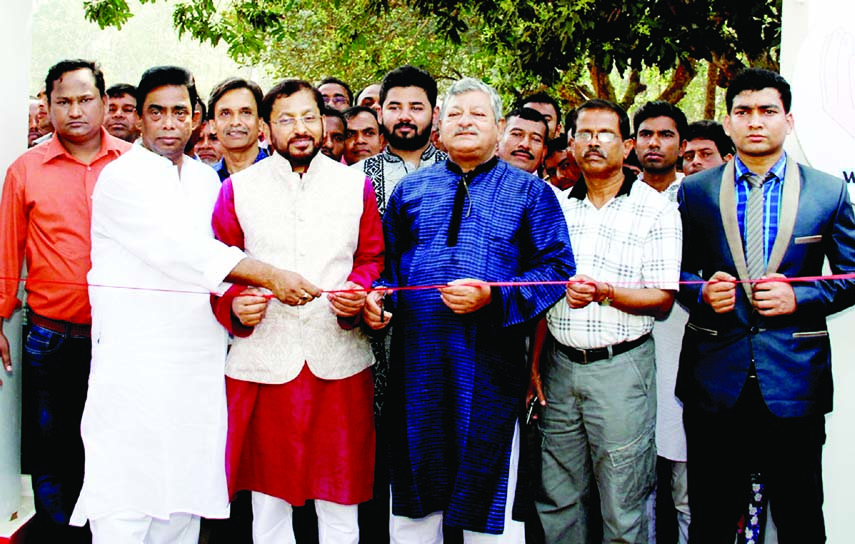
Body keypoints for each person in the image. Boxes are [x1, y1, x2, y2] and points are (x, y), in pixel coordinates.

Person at [67, 65, 309, 544]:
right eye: (156, 112)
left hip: (196, 364)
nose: (168, 123)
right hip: (133, 365)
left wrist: (244, 298)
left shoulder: (204, 181)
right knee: (126, 494)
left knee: (183, 498)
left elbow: (221, 263)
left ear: (196, 119)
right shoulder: (120, 180)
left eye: (179, 112)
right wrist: (270, 276)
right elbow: (184, 252)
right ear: (138, 119)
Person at [364, 77, 575, 543]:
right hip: (418, 364)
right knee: (417, 501)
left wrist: (494, 297)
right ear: (438, 126)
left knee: (489, 498)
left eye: (478, 115)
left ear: (499, 128)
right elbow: (388, 272)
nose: (465, 123)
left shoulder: (530, 193)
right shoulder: (410, 192)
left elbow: (558, 269)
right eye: (456, 115)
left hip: (490, 366)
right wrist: (379, 300)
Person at [677, 67, 855, 543]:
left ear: (789, 121)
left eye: (768, 111)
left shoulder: (828, 191)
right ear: (728, 122)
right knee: (711, 516)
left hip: (794, 378)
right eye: (743, 112)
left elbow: (853, 274)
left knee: (799, 515)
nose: (756, 121)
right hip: (714, 377)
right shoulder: (693, 192)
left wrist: (800, 295)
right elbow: (674, 272)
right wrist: (699, 291)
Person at [211, 78, 384, 544]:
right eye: (286, 120)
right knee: (268, 503)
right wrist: (235, 305)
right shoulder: (237, 190)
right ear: (267, 129)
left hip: (339, 360)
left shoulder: (355, 186)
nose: (300, 129)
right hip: (265, 362)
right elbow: (218, 268)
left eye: (308, 117)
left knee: (340, 499)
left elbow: (371, 259)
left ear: (325, 125)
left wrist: (358, 291)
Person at [531, 98, 682, 543]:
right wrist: (536, 365)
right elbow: (541, 293)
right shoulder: (554, 206)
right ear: (571, 143)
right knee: (556, 496)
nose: (594, 143)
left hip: (622, 369)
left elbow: (662, 299)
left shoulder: (656, 209)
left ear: (628, 145)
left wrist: (607, 293)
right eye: (584, 133)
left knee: (624, 500)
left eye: (606, 134)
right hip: (559, 365)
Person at [0, 59, 131, 544]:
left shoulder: (135, 168)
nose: (74, 110)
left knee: (115, 448)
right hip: (52, 338)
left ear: (103, 100)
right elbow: (6, 252)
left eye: (84, 99)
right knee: (54, 453)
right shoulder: (25, 169)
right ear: (48, 105)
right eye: (63, 101)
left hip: (123, 340)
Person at [353, 63, 447, 544]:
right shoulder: (354, 179)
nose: (405, 116)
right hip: (374, 335)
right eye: (395, 106)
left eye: (416, 106)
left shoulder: (458, 171)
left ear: (434, 112)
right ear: (380, 111)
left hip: (446, 331)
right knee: (381, 442)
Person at [632, 100, 691, 544]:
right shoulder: (617, 196)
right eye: (647, 134)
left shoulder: (698, 197)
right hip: (625, 349)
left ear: (683, 146)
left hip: (681, 344)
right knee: (633, 480)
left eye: (665, 135)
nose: (655, 143)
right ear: (632, 144)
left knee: (684, 479)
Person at [208, 77, 268, 181]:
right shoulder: (206, 181)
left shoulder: (282, 177)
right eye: (225, 113)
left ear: (261, 124)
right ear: (213, 125)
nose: (235, 122)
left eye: (246, 113)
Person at [497, 107, 549, 174]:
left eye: (535, 139)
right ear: (497, 142)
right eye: (516, 134)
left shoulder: (543, 185)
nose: (525, 145)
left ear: (544, 153)